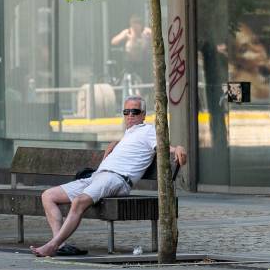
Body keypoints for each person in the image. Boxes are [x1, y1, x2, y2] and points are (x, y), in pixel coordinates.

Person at [30, 96, 187, 257]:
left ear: (143, 114)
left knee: (78, 201)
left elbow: (162, 146)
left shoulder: (148, 130)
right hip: (97, 176)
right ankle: (61, 245)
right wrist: (116, 144)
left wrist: (177, 148)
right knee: (48, 196)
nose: (130, 115)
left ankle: (52, 245)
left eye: (135, 111)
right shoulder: (129, 133)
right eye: (126, 112)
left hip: (116, 178)